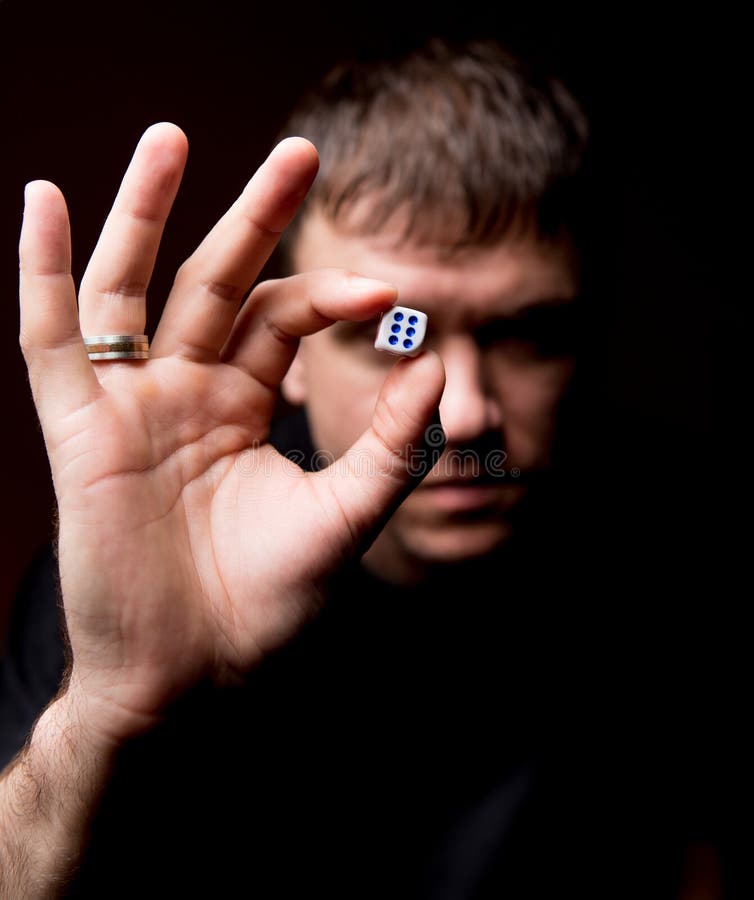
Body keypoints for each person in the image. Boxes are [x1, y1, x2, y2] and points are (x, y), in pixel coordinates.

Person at [0, 37, 726, 898]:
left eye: (526, 333)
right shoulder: (148, 560)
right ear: (293, 347)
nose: (463, 416)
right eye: (392, 334)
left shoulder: (687, 543)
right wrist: (106, 712)